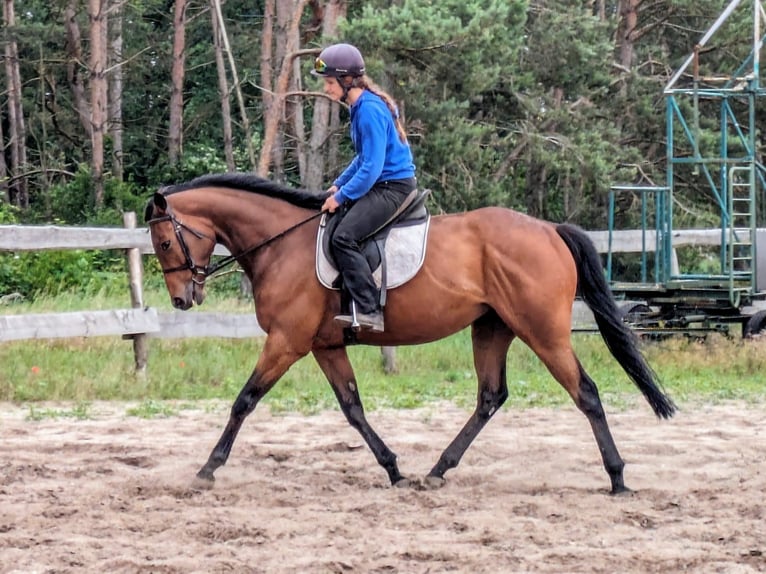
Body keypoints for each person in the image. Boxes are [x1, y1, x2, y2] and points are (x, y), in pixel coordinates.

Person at [312, 43, 416, 333]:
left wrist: (343, 196)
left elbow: (372, 167)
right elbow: (362, 159)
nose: (327, 89)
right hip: (381, 183)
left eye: (330, 82)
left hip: (392, 188)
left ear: (347, 81)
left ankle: (370, 309)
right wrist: (338, 185)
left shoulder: (369, 110)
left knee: (343, 237)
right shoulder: (360, 107)